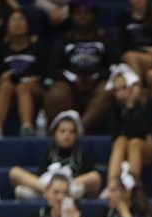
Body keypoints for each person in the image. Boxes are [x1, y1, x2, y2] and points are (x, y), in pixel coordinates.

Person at [43, 0, 116, 134]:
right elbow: (53, 69)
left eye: (86, 12)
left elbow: (115, 66)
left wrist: (96, 77)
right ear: (71, 16)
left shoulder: (104, 38)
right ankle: (55, 133)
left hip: (97, 84)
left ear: (93, 15)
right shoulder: (64, 40)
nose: (82, 16)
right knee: (56, 93)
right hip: (70, 85)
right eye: (78, 13)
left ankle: (78, 129)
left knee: (108, 89)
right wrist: (72, 79)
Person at [9, 109, 102, 200]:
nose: (66, 135)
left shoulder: (82, 154)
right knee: (14, 172)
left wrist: (65, 186)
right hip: (46, 186)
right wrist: (49, 187)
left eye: (71, 132)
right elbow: (40, 175)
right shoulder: (49, 153)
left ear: (76, 135)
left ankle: (64, 193)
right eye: (62, 131)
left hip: (71, 187)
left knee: (95, 176)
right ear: (55, 133)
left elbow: (93, 182)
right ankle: (50, 192)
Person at [0, 9, 45, 138]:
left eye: (21, 19)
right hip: (7, 91)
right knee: (6, 85)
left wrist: (33, 79)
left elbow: (44, 75)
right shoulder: (0, 49)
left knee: (22, 87)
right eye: (14, 20)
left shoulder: (38, 47)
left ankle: (27, 127)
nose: (17, 23)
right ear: (7, 25)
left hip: (33, 90)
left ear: (28, 24)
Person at [106, 64, 152, 187]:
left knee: (134, 143)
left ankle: (132, 188)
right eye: (116, 90)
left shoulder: (148, 103)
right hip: (125, 148)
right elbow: (115, 133)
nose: (120, 94)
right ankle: (112, 186)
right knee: (120, 141)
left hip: (148, 149)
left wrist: (130, 107)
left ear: (133, 86)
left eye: (123, 88)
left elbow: (140, 132)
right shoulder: (115, 106)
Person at [118, 0, 152, 82]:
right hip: (132, 54)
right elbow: (123, 44)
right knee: (129, 56)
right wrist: (142, 50)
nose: (137, 1)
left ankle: (136, 91)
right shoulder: (124, 17)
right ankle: (138, 90)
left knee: (130, 56)